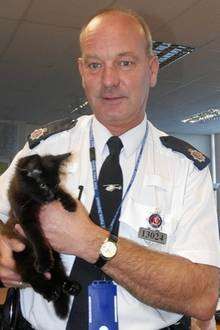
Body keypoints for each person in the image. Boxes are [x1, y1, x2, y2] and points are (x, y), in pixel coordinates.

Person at [0, 7, 219, 330]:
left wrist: (90, 241)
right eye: (94, 65)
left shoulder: (187, 169)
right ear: (81, 71)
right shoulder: (44, 148)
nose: (109, 80)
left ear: (153, 69)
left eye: (125, 63)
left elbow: (203, 296)